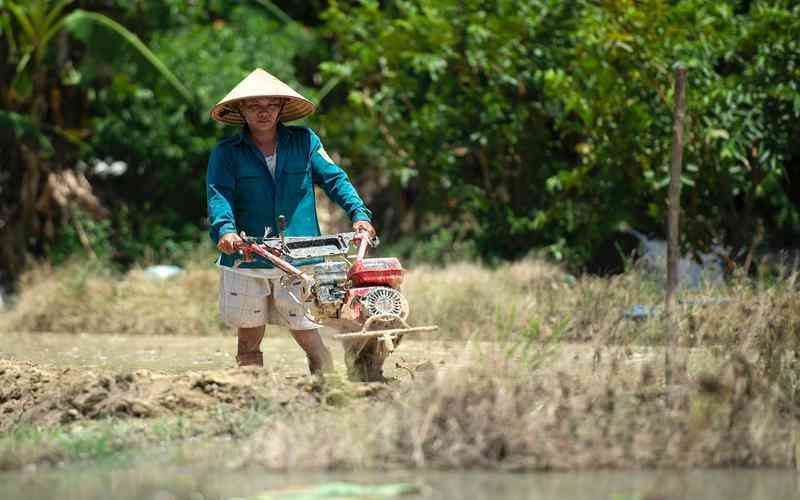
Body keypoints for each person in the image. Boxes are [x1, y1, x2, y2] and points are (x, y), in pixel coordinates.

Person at [206, 68, 376, 373]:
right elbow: (219, 194)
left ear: (282, 108)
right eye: (254, 106)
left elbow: (335, 179)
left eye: (271, 105)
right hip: (248, 255)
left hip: (300, 255)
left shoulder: (305, 141)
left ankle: (329, 392)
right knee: (248, 338)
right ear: (240, 110)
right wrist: (226, 230)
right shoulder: (226, 152)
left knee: (308, 334)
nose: (263, 112)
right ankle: (250, 398)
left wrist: (359, 214)